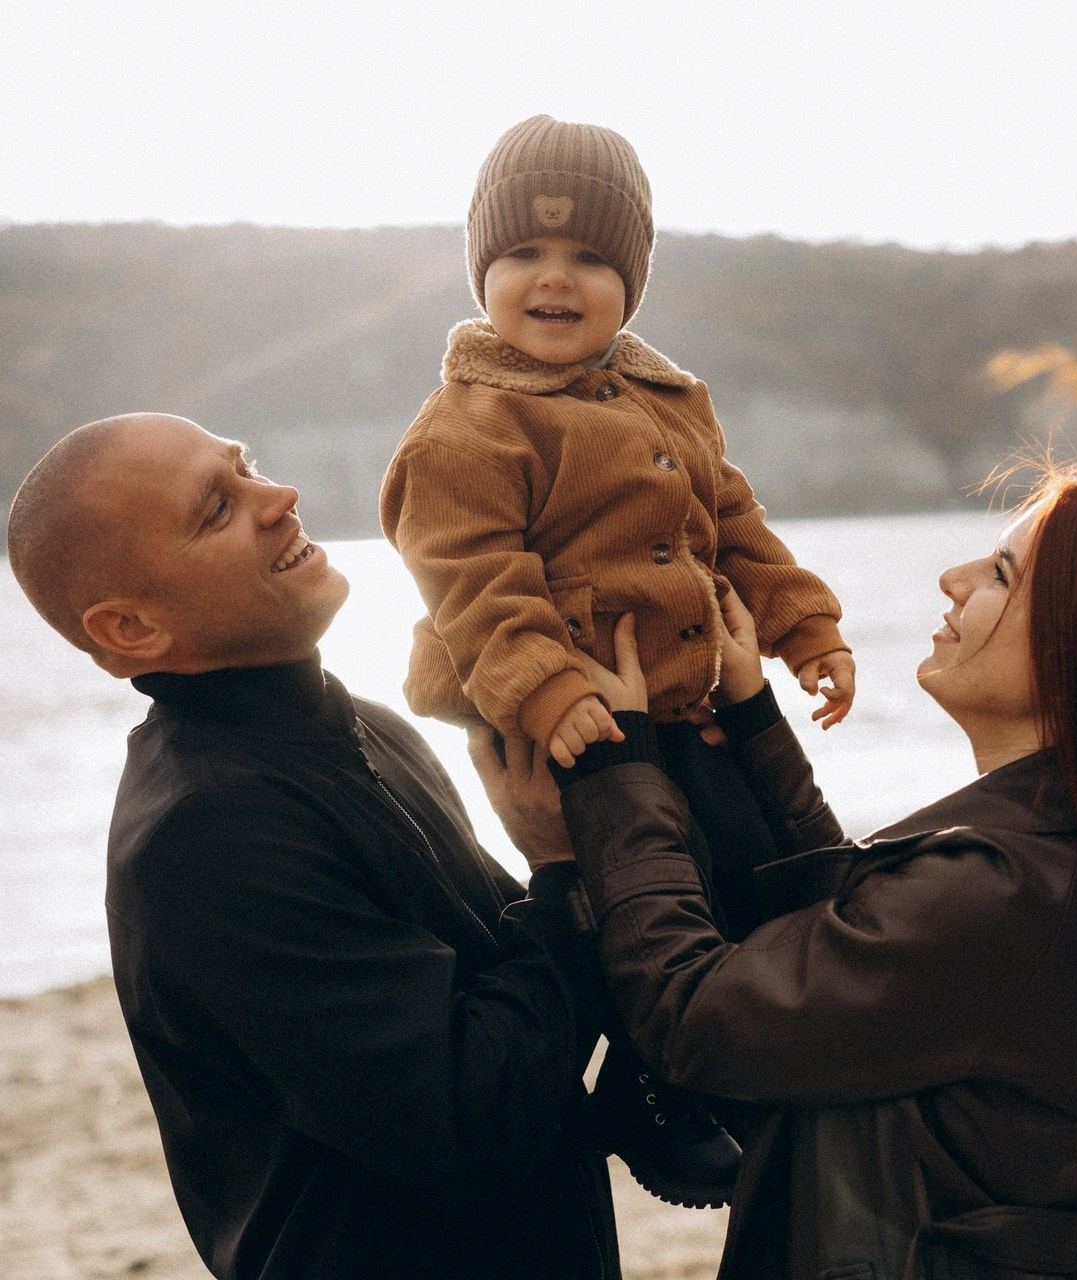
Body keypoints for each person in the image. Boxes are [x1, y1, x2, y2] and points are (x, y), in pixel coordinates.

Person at [478, 457, 1077, 1279]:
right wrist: (755, 727)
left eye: (1001, 573)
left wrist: (615, 784)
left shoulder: (1006, 892)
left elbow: (697, 1020)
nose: (954, 578)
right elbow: (865, 947)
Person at [6, 412, 625, 1280]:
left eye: (247, 465)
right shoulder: (206, 833)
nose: (279, 497)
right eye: (217, 508)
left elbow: (512, 987)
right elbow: (469, 1122)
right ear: (132, 630)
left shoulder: (360, 725)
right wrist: (562, 874)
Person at [380, 112, 852, 1200]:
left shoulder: (664, 398)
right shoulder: (470, 427)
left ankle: (718, 1070)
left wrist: (804, 626)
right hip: (566, 702)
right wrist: (544, 687)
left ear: (630, 279)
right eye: (523, 255)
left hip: (683, 703)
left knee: (742, 871)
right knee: (634, 895)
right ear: (479, 269)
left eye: (589, 256)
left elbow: (733, 523)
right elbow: (467, 574)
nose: (555, 279)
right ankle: (646, 1080)